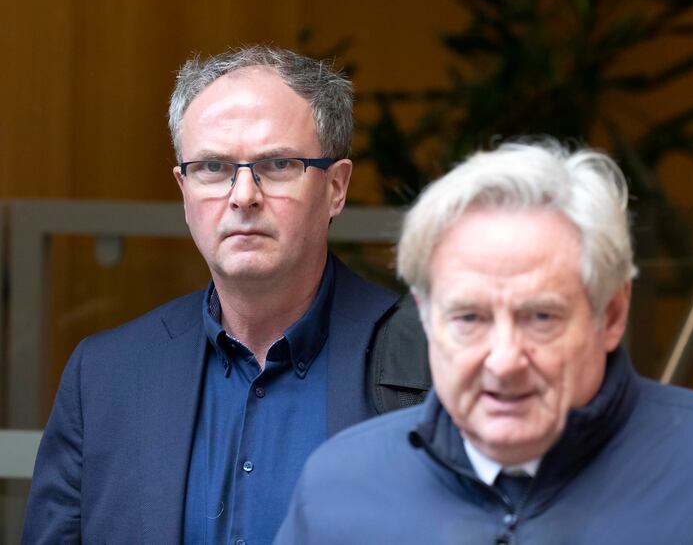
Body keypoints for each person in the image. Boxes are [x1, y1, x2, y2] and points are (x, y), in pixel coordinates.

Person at [275, 141, 693, 544]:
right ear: (427, 317)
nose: (504, 361)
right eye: (470, 318)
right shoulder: (339, 485)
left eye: (540, 317)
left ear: (612, 314)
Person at [22, 45, 429, 544]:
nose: (243, 195)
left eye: (278, 164)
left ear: (336, 188)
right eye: (212, 167)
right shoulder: (105, 378)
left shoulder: (433, 362)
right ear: (184, 191)